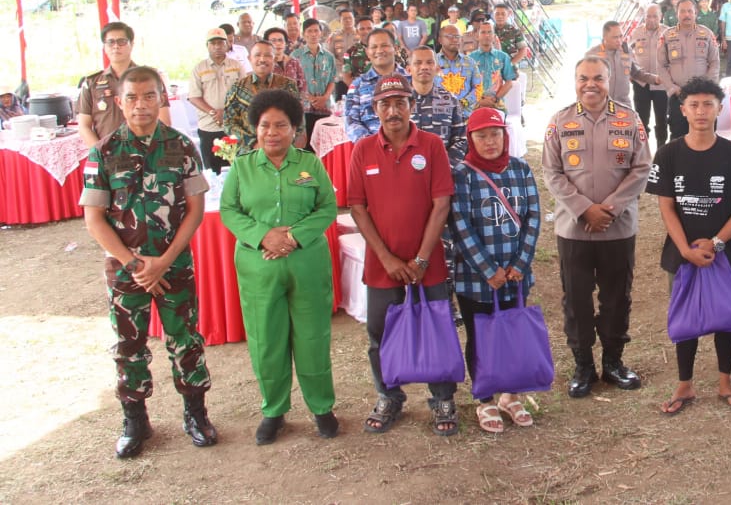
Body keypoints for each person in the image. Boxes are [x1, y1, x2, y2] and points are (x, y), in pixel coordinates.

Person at [79, 66, 216, 458]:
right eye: (133, 98)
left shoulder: (183, 146)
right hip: (126, 272)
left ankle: (196, 414)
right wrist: (137, 265)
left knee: (185, 339)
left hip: (175, 266)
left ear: (162, 99)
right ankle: (135, 420)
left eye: (149, 96)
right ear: (119, 103)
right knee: (129, 344)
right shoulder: (102, 153)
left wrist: (165, 261)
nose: (141, 105)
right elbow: (94, 220)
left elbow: (195, 210)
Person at [220, 89, 339, 443]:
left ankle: (322, 407)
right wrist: (262, 236)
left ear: (294, 129)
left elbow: (327, 207)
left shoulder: (309, 164)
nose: (272, 132)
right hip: (259, 267)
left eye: (281, 125)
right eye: (265, 125)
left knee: (312, 337)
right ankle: (273, 410)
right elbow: (229, 211)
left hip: (307, 264)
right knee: (266, 340)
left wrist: (293, 237)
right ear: (255, 128)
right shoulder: (241, 167)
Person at [347, 76, 456, 436]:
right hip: (382, 266)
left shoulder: (432, 145)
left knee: (436, 329)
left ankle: (442, 398)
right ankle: (388, 395)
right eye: (384, 104)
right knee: (379, 335)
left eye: (400, 102)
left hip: (430, 263)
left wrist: (422, 259)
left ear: (412, 105)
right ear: (374, 108)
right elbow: (357, 207)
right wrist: (388, 259)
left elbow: (441, 204)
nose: (392, 111)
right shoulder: (362, 150)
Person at [542, 56, 652, 397]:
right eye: (583, 78)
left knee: (617, 298)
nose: (590, 84)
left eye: (598, 79)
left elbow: (641, 167)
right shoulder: (559, 121)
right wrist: (584, 209)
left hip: (618, 230)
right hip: (574, 231)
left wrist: (611, 209)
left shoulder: (630, 119)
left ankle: (614, 362)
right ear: (575, 81)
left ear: (610, 80)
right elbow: (552, 172)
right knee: (576, 300)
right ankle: (583, 365)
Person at [648, 77, 731, 414]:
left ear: (719, 109)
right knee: (686, 317)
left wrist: (718, 242)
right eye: (693, 104)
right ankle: (685, 384)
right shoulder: (667, 153)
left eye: (708, 104)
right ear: (683, 110)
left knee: (726, 318)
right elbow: (666, 206)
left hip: (725, 253)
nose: (701, 111)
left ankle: (725, 382)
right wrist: (685, 249)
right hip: (682, 254)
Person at [451, 106, 544, 432]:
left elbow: (533, 216)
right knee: (481, 336)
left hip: (516, 275)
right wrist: (487, 268)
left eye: (495, 134)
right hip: (476, 277)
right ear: (470, 139)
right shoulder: (462, 175)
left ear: (505, 135)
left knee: (512, 332)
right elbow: (460, 224)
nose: (490, 142)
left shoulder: (520, 169)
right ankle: (485, 398)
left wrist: (520, 263)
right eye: (482, 135)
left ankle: (511, 394)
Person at [77, 21, 172, 147]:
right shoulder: (91, 83)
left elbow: (164, 121)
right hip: (108, 153)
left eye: (121, 41)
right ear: (104, 47)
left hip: (146, 151)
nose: (116, 46)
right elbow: (84, 126)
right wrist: (100, 153)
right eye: (110, 42)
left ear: (131, 45)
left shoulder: (151, 78)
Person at [660, 0, 720, 141]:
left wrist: (705, 87)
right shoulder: (667, 36)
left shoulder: (707, 34)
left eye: (690, 11)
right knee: (678, 136)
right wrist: (673, 88)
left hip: (703, 96)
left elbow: (715, 63)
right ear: (677, 13)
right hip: (678, 96)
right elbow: (661, 65)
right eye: (682, 11)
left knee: (705, 135)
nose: (686, 15)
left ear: (695, 13)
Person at [223, 41, 300, 151]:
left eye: (267, 55)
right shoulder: (237, 88)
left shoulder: (288, 86)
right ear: (250, 58)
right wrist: (253, 143)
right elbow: (228, 123)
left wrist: (284, 142)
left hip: (283, 151)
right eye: (257, 55)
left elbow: (298, 121)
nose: (262, 59)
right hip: (249, 153)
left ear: (274, 59)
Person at [188, 28, 244, 173]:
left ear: (227, 44)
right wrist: (214, 113)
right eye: (213, 43)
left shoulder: (236, 66)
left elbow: (245, 93)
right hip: (209, 127)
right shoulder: (199, 68)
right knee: (213, 171)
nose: (217, 46)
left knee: (237, 169)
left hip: (234, 125)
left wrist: (226, 113)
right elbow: (194, 96)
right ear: (207, 46)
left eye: (220, 42)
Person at [344, 28, 409, 142]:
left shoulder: (411, 81)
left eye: (384, 45)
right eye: (374, 47)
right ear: (367, 52)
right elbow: (351, 121)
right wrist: (373, 146)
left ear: (395, 48)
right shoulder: (357, 86)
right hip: (373, 152)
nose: (379, 50)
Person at [407, 47, 468, 164]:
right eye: (418, 63)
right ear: (409, 69)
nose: (424, 67)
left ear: (437, 68)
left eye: (429, 62)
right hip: (407, 171)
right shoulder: (400, 102)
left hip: (443, 169)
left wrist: (446, 166)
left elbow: (461, 139)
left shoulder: (450, 100)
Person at [584, 20, 657, 108]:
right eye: (615, 37)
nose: (619, 40)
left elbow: (636, 73)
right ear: (604, 37)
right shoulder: (592, 55)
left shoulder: (627, 51)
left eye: (621, 36)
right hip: (599, 105)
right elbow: (583, 83)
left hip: (623, 104)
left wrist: (655, 79)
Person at [629, 4, 670, 145]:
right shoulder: (636, 32)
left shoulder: (668, 33)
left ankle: (661, 152)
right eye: (648, 16)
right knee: (641, 121)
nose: (651, 19)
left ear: (661, 17)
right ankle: (643, 153)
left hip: (661, 85)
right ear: (644, 16)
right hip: (641, 83)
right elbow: (627, 53)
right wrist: (630, 71)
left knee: (662, 120)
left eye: (655, 16)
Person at [295, 18, 337, 149]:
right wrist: (311, 99)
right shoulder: (296, 56)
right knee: (307, 145)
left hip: (325, 107)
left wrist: (324, 98)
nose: (313, 34)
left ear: (321, 33)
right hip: (304, 108)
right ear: (303, 34)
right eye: (309, 31)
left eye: (316, 31)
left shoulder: (329, 57)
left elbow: (332, 80)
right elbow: (293, 82)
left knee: (325, 144)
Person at [470, 18, 517, 109]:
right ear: (477, 36)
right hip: (475, 104)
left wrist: (495, 99)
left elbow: (509, 83)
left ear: (494, 36)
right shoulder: (470, 59)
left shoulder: (503, 57)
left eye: (489, 32)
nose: (486, 35)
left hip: (497, 104)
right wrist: (480, 100)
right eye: (483, 32)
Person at [436, 24, 483, 114]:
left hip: (465, 116)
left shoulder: (470, 62)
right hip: (439, 116)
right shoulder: (431, 62)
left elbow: (478, 88)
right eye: (449, 36)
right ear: (440, 40)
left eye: (457, 36)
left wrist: (462, 103)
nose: (454, 39)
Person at [264, 26, 307, 101]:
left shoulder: (294, 62)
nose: (278, 43)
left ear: (286, 43)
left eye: (281, 40)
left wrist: (300, 104)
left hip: (294, 106)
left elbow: (303, 87)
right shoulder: (263, 65)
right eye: (273, 41)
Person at [340, 15, 375, 90]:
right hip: (360, 94)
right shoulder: (349, 52)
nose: (366, 31)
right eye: (362, 29)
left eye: (369, 28)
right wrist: (360, 91)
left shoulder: (383, 48)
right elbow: (346, 78)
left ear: (374, 30)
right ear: (357, 31)